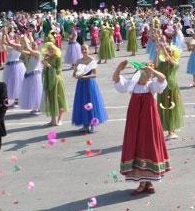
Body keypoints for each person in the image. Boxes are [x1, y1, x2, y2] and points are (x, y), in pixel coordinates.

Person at [113, 59, 170, 195]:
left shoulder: (152, 86)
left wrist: (153, 71)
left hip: (149, 122)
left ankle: (149, 182)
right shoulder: (132, 85)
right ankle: (142, 182)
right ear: (139, 74)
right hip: (135, 122)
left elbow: (162, 79)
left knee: (149, 147)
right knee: (137, 147)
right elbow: (116, 80)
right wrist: (119, 69)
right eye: (146, 74)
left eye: (149, 75)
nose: (148, 77)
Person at [71, 43, 107, 133]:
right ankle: (85, 125)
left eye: (85, 49)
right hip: (81, 84)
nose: (84, 51)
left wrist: (85, 77)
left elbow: (95, 75)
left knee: (90, 103)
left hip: (89, 84)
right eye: (82, 49)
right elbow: (74, 74)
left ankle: (92, 125)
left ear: (89, 50)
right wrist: (76, 75)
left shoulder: (92, 60)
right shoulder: (78, 61)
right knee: (82, 103)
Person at [156, 37, 183, 140]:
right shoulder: (162, 63)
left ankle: (171, 131)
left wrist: (164, 49)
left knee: (172, 109)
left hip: (172, 88)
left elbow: (171, 62)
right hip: (163, 88)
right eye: (167, 51)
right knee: (163, 108)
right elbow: (154, 67)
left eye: (170, 51)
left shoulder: (175, 63)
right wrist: (157, 52)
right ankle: (168, 131)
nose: (168, 53)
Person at [41, 39, 67, 126]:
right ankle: (53, 120)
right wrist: (44, 67)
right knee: (51, 99)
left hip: (56, 80)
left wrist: (48, 66)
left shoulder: (57, 57)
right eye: (48, 49)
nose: (50, 50)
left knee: (58, 99)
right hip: (49, 80)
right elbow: (45, 71)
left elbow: (58, 70)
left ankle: (59, 119)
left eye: (51, 48)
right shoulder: (46, 57)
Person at [18, 34, 43, 115]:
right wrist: (22, 41)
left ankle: (38, 107)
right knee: (32, 91)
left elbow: (28, 48)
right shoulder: (30, 53)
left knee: (36, 91)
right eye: (32, 45)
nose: (33, 46)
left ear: (38, 46)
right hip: (29, 74)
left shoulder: (37, 53)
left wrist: (25, 39)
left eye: (34, 45)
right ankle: (35, 107)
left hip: (35, 75)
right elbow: (21, 51)